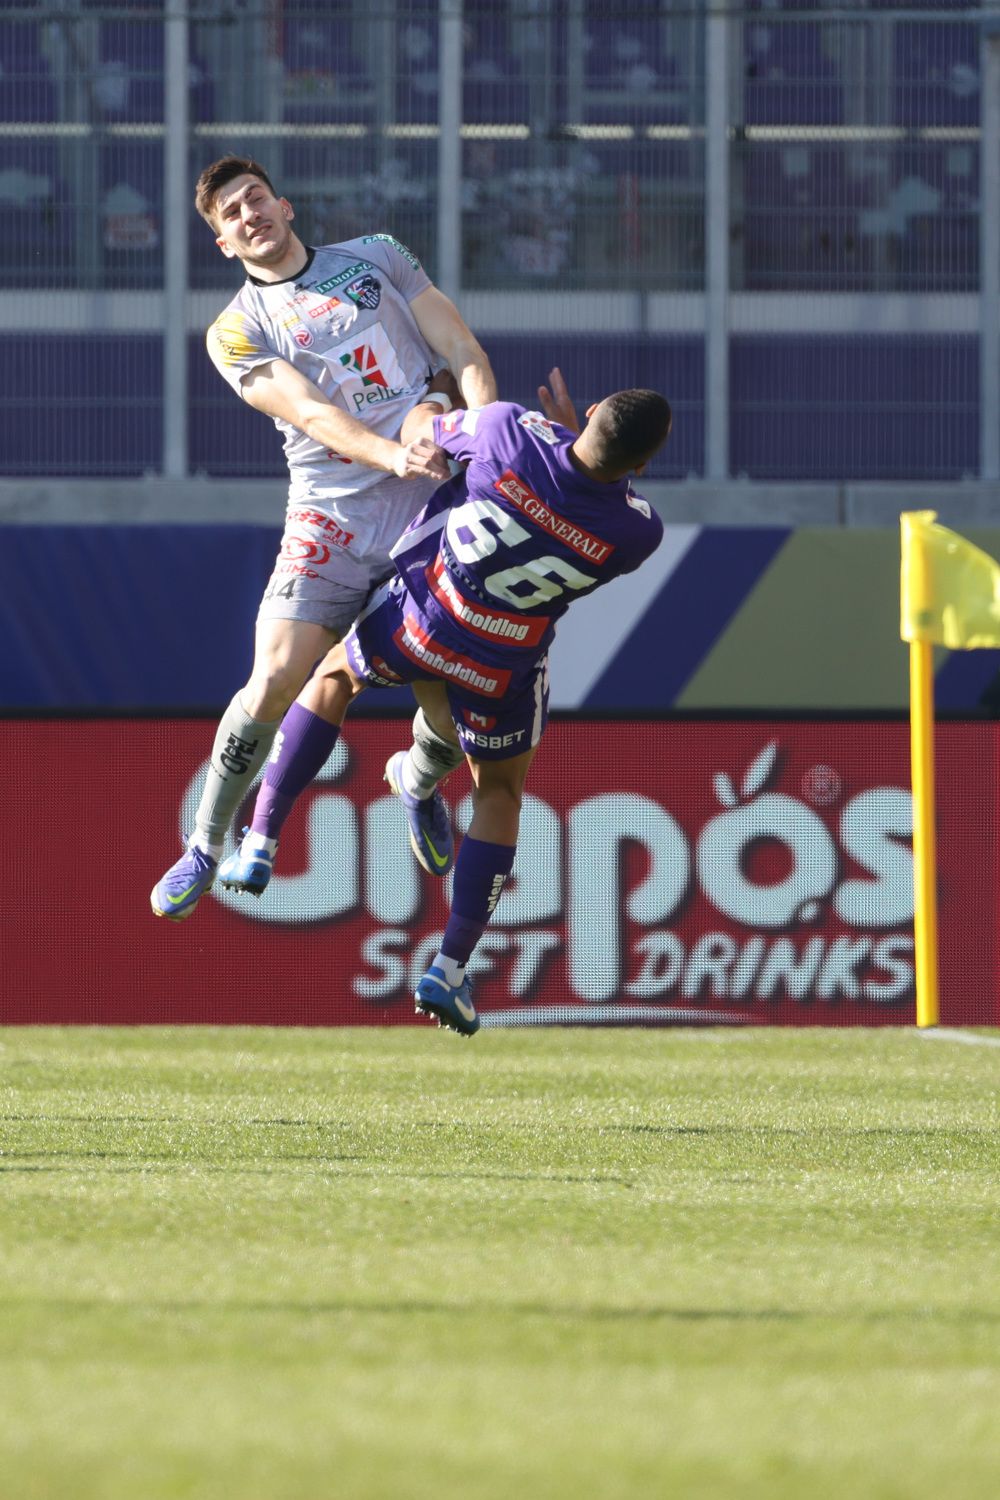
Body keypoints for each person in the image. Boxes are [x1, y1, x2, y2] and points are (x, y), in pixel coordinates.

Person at [220, 368, 672, 1035]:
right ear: (643, 462)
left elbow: (428, 440)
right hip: (501, 663)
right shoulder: (639, 535)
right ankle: (450, 969)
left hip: (426, 617)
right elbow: (595, 495)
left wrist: (441, 401)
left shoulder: (505, 430)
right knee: (499, 794)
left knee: (332, 682)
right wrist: (584, 450)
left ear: (597, 407)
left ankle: (260, 838)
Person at [151, 154, 496, 921]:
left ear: (286, 203)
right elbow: (311, 415)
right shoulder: (236, 330)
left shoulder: (377, 256)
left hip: (426, 512)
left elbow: (462, 350)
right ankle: (207, 843)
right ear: (225, 246)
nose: (249, 216)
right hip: (331, 516)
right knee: (274, 675)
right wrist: (391, 452)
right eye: (231, 217)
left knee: (445, 711)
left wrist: (482, 431)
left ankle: (417, 780)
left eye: (254, 200)